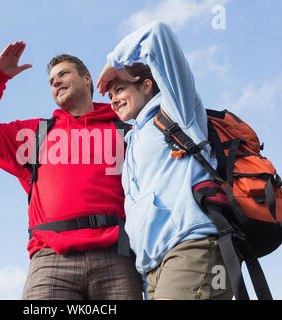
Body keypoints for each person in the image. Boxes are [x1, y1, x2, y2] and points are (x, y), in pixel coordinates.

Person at [0, 41, 143, 299]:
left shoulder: (126, 133)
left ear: (87, 79)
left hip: (117, 256)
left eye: (63, 74)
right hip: (51, 260)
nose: (56, 82)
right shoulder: (34, 135)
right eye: (51, 81)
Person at [97, 22, 234, 300]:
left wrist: (113, 63)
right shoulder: (133, 140)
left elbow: (159, 33)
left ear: (147, 85)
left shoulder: (177, 109)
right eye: (110, 95)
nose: (113, 100)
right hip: (154, 269)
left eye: (120, 89)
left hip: (191, 248)